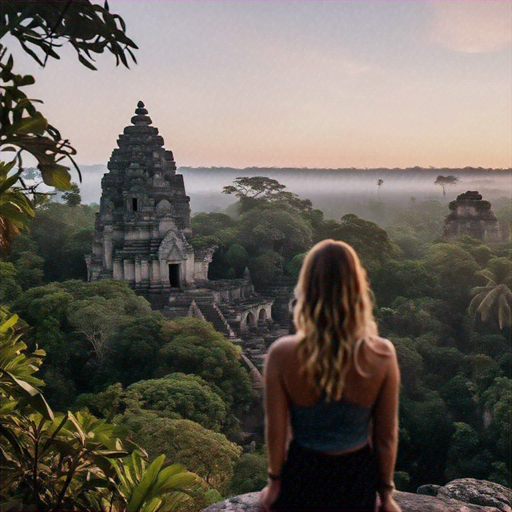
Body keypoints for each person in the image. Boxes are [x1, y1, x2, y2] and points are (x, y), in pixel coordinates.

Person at [259, 240, 401, 512]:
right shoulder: (382, 354)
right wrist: (385, 494)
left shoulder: (282, 354)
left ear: (307, 289)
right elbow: (385, 435)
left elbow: (276, 429)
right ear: (357, 289)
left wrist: (274, 481)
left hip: (302, 474)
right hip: (356, 478)